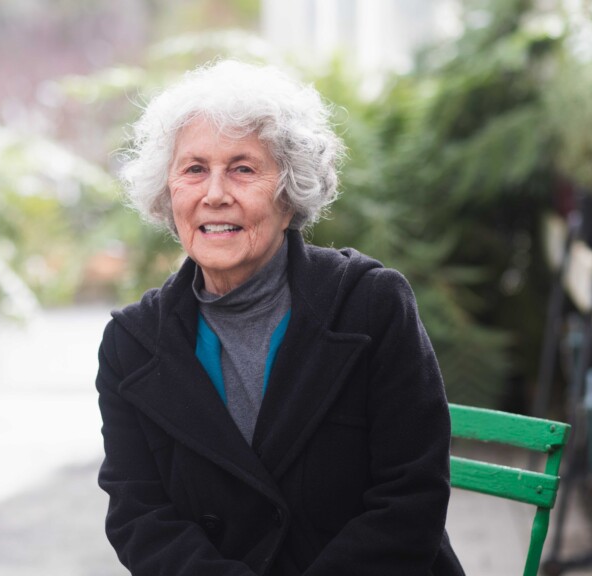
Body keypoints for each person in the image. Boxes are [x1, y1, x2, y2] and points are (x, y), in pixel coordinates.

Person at [95, 60, 464, 576]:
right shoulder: (131, 345)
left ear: (290, 194)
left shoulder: (371, 306)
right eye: (195, 169)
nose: (215, 193)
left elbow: (411, 497)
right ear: (167, 193)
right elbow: (140, 516)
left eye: (243, 169)